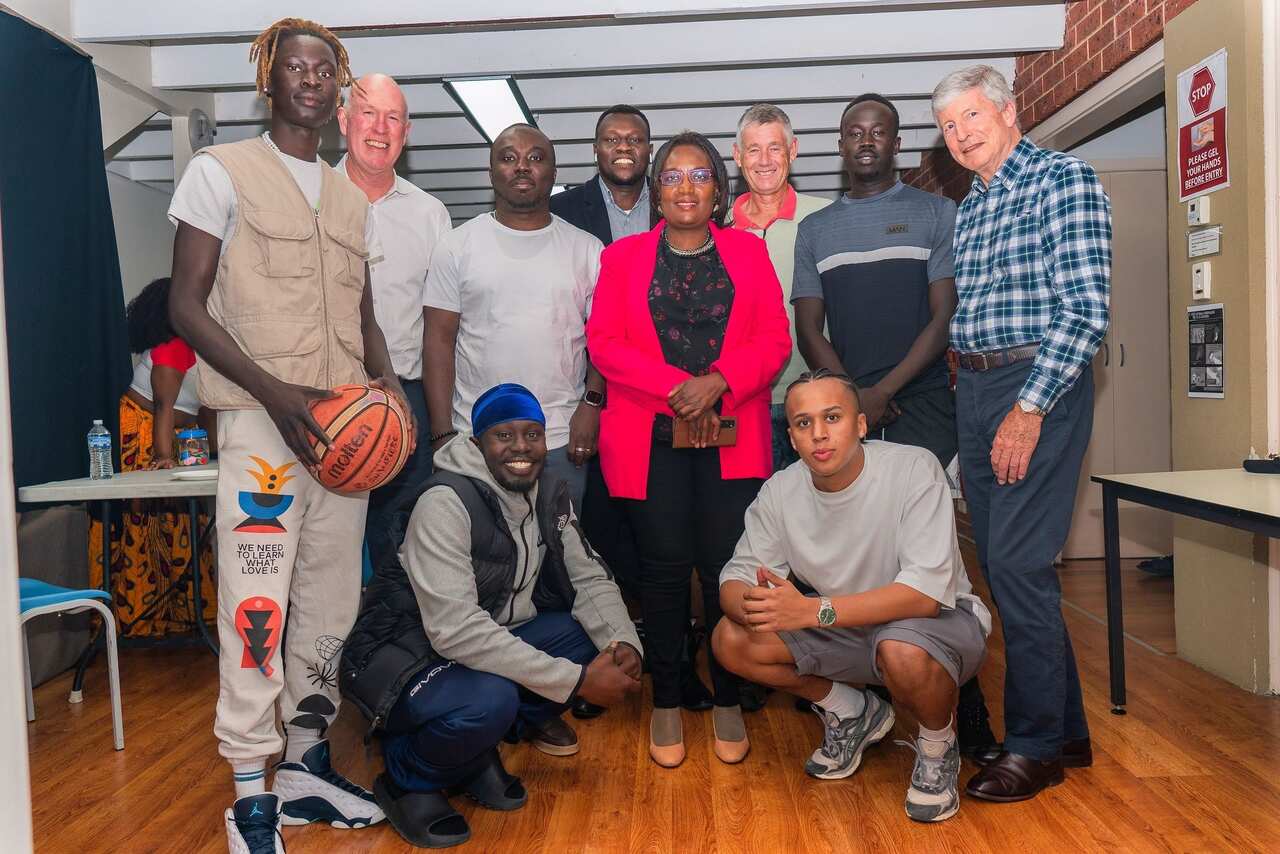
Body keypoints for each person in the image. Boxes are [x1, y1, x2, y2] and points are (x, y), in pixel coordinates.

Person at [168, 18, 411, 851]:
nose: (309, 80)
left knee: (331, 605)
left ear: (337, 89)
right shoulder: (220, 172)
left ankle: (306, 766)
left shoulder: (349, 198)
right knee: (257, 608)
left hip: (342, 442)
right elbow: (184, 306)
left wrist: (389, 390)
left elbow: (366, 316)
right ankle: (248, 793)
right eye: (294, 67)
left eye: (323, 70)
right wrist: (272, 395)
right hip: (263, 430)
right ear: (268, 80)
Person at [341, 383, 642, 849]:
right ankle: (407, 776)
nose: (521, 447)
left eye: (533, 434)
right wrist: (577, 682)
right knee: (491, 698)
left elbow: (590, 578)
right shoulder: (445, 502)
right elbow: (455, 630)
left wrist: (622, 644)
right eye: (504, 435)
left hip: (475, 643)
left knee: (586, 635)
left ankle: (473, 754)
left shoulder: (547, 493)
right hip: (402, 658)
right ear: (477, 443)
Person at [792, 92, 998, 760]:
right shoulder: (817, 229)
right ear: (842, 143)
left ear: (896, 141)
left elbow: (943, 320)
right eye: (854, 131)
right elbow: (808, 327)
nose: (866, 140)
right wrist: (851, 402)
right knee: (854, 551)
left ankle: (965, 708)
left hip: (922, 408)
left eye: (878, 130)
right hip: (847, 412)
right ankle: (873, 698)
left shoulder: (937, 213)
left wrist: (881, 391)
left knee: (931, 562)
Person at [933, 65, 1110, 802]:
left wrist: (1028, 407)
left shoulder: (1062, 181)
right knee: (1003, 564)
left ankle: (1033, 745)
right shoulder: (970, 206)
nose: (962, 134)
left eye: (973, 116)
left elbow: (1084, 311)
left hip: (1035, 386)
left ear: (1009, 111)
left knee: (1017, 567)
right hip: (974, 387)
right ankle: (1066, 731)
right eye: (949, 127)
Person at [587, 131, 791, 768]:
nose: (685, 188)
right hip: (651, 437)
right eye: (671, 177)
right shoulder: (622, 259)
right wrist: (680, 389)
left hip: (733, 434)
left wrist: (720, 383)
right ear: (655, 191)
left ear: (717, 189)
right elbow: (605, 345)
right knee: (666, 572)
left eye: (698, 176)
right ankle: (669, 701)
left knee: (726, 570)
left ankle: (727, 694)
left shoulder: (748, 253)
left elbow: (775, 339)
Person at [713, 370, 990, 823]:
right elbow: (736, 577)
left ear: (861, 425)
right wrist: (756, 604)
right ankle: (851, 711)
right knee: (732, 639)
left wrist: (809, 610)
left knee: (900, 647)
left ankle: (938, 746)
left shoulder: (913, 467)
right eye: (804, 423)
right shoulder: (781, 492)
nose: (819, 434)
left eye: (833, 417)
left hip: (936, 625)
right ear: (792, 437)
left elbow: (923, 595)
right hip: (845, 627)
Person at [424, 124, 603, 510]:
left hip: (558, 438)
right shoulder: (456, 246)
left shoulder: (588, 250)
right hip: (474, 438)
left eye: (535, 158)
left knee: (560, 560)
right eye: (508, 158)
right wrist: (441, 434)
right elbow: (438, 341)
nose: (522, 167)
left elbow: (604, 341)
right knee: (480, 560)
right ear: (491, 173)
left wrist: (591, 405)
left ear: (553, 174)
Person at [336, 72, 453, 568]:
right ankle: (331, 645)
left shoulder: (431, 214)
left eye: (393, 118)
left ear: (406, 133)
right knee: (329, 543)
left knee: (406, 543)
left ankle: (398, 643)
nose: (379, 127)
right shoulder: (310, 198)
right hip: (327, 399)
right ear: (342, 121)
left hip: (408, 400)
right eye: (368, 113)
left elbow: (443, 325)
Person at [87, 276, 216, 638]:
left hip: (176, 435)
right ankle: (143, 617)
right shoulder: (174, 346)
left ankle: (181, 614)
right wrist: (163, 460)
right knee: (147, 521)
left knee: (179, 525)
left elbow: (205, 409)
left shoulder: (200, 348)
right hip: (145, 431)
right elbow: (163, 407)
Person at [727, 103, 831, 472]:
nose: (764, 160)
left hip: (815, 397)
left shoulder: (826, 218)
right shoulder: (718, 230)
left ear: (793, 150)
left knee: (822, 516)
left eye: (775, 148)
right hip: (743, 402)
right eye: (753, 149)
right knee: (753, 516)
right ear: (738, 156)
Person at [550, 104, 654, 244]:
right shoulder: (558, 210)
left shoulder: (670, 204)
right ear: (595, 151)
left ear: (650, 152)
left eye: (635, 140)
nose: (624, 147)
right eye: (612, 140)